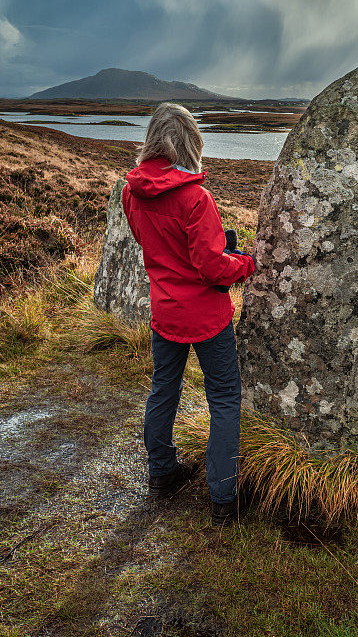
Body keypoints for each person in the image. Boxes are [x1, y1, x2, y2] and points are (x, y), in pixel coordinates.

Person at [122, 103, 256, 526]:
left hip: (164, 311)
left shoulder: (131, 191)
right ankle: (223, 498)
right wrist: (246, 264)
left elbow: (151, 244)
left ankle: (162, 474)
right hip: (206, 318)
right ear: (189, 143)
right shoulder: (196, 198)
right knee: (223, 400)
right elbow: (213, 267)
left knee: (164, 390)